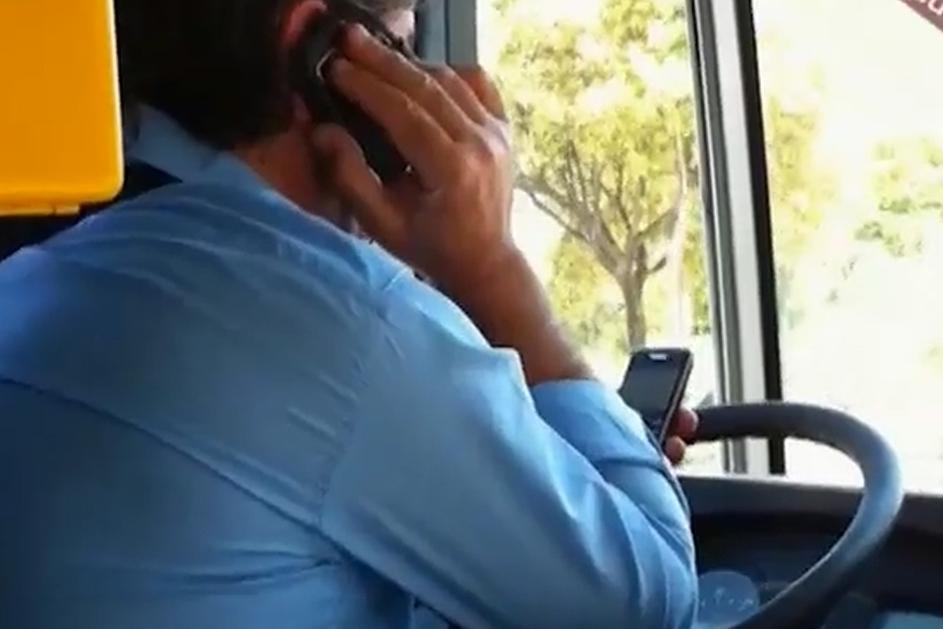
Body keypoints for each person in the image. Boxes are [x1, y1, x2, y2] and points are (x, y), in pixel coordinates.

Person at [0, 0, 699, 627]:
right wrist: (492, 271)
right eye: (402, 41)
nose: (433, 83)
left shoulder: (32, 277)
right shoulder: (341, 323)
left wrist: (548, 456)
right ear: (322, 53)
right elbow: (647, 604)